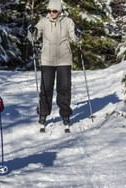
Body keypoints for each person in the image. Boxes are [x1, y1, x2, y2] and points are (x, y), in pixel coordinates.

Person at [28, 0, 81, 128]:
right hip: (47, 60)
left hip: (64, 59)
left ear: (59, 11)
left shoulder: (68, 21)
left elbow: (74, 39)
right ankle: (43, 113)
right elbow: (33, 38)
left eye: (54, 11)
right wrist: (32, 32)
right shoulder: (43, 22)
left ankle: (65, 114)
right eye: (49, 11)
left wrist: (78, 34)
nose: (52, 13)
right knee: (46, 89)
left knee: (64, 88)